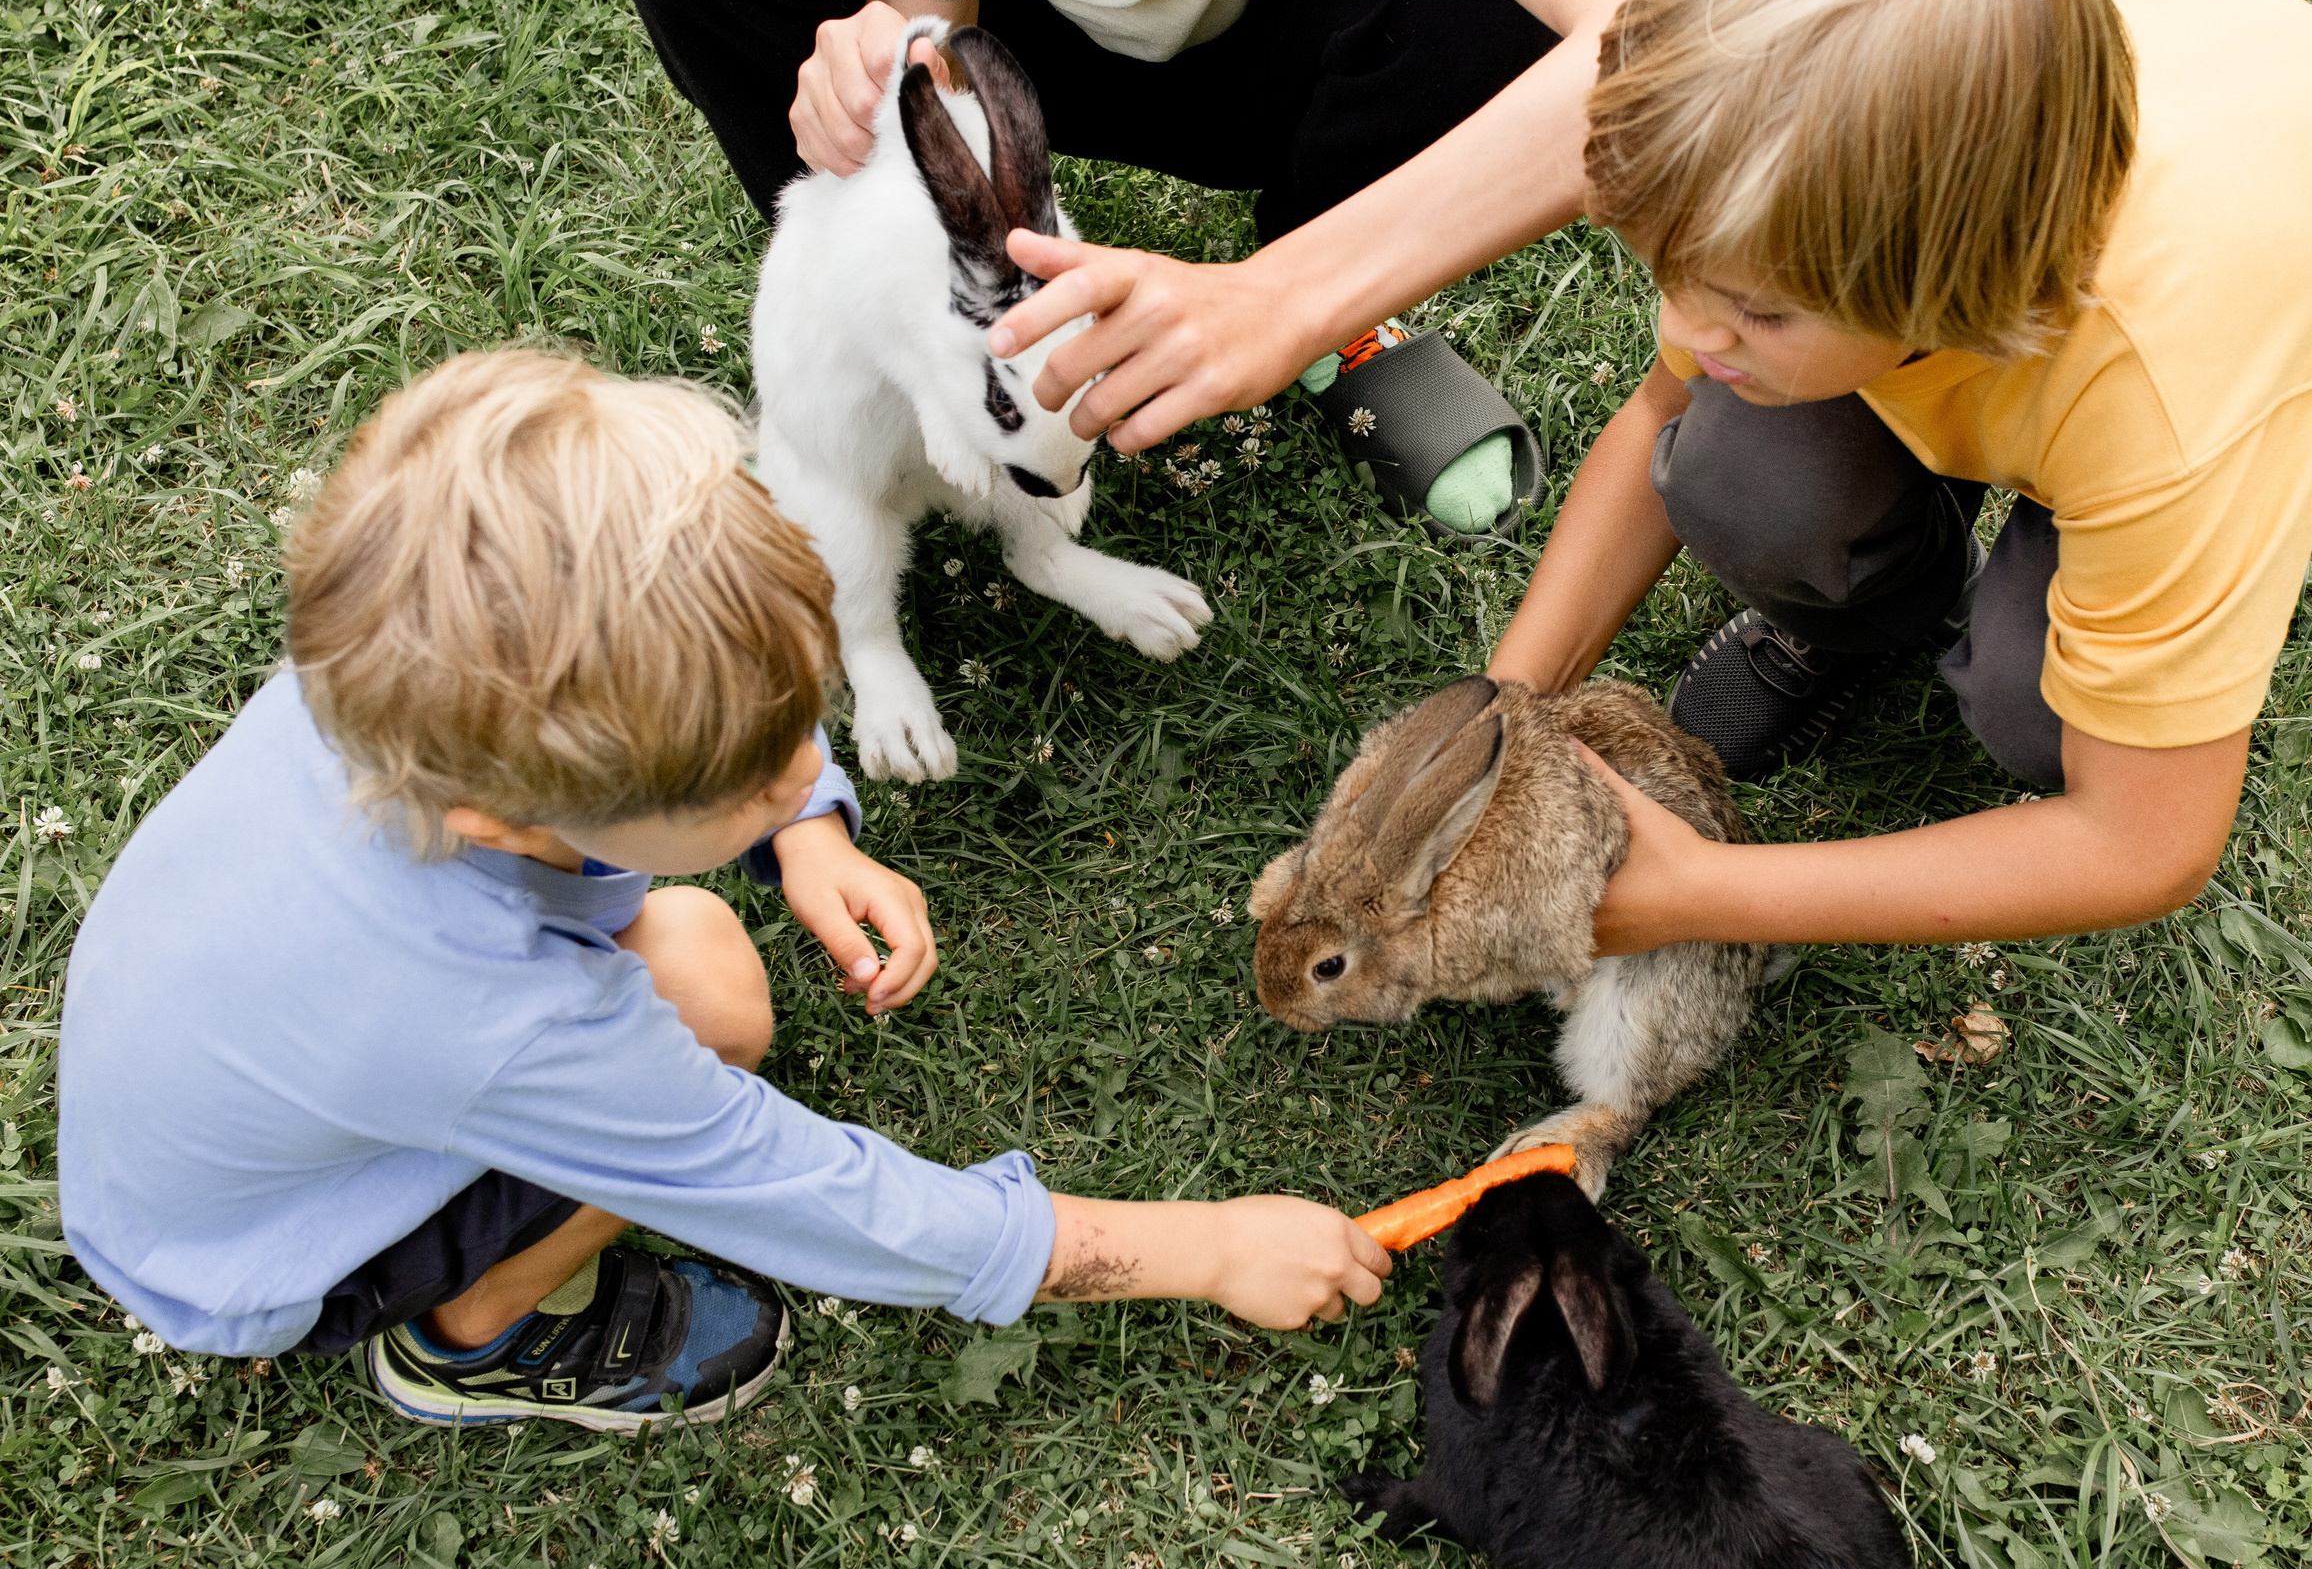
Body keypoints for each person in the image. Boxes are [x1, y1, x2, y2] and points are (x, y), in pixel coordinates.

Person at [58, 351, 1386, 1428]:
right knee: (710, 1016)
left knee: (697, 952)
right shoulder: (497, 1021)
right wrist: (1209, 1249)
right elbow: (825, 1204)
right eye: (751, 783)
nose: (805, 770)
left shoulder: (387, 673)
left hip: (245, 1099)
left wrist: (803, 830)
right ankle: (470, 1339)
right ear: (504, 818)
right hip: (255, 1258)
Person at [1485, 0, 2312, 954]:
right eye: (1670, 272)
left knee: (2030, 701)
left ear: (1951, 292)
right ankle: (1865, 618)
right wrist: (1497, 716)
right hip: (2092, 115)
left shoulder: (2174, 402)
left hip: (2294, 255)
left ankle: (2035, 592)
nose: (1679, 327)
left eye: (1755, 309)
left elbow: (2144, 842)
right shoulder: (1799, 192)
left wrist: (1700, 891)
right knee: (1735, 474)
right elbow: (1663, 412)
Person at [590, 0, 1666, 533]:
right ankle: (899, 338)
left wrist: (1285, 296)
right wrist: (883, 71)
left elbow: (1673, 31)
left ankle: (1344, 318)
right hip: (1033, 42)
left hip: (1288, 56)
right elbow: (936, 28)